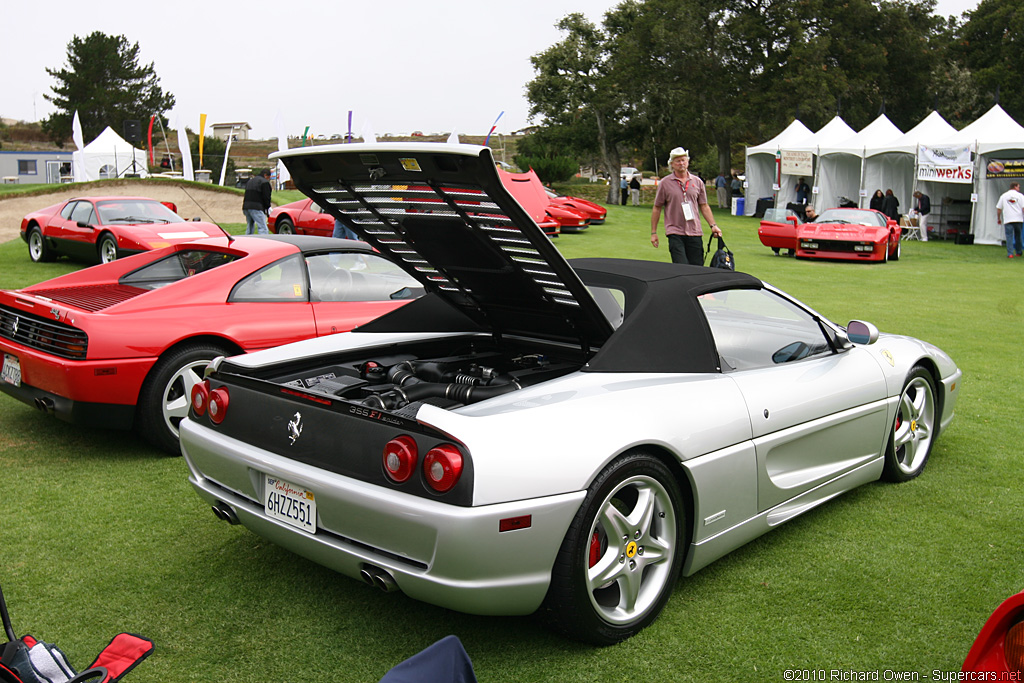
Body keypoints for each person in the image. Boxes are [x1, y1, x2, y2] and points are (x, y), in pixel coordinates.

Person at [650, 147, 722, 265]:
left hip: (695, 231)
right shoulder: (665, 183)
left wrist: (713, 225)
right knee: (681, 266)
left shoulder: (697, 182)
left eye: (683, 160)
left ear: (687, 162)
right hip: (675, 231)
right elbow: (657, 207)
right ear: (672, 164)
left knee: (697, 268)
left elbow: (704, 205)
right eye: (677, 161)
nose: (681, 163)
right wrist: (654, 232)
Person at [996, 181, 1024, 258]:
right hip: (1018, 219)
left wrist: (999, 218)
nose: (1019, 188)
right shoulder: (1020, 196)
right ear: (1015, 187)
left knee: (1009, 236)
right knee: (1018, 236)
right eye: (1018, 187)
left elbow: (999, 209)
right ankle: (1018, 252)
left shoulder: (1004, 196)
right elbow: (1023, 208)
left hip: (1008, 219)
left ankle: (1010, 253)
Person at [242, 168, 272, 235]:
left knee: (250, 226)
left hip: (246, 206)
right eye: (268, 177)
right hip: (256, 207)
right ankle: (264, 243)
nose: (268, 179)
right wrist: (267, 207)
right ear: (265, 175)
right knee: (263, 228)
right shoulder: (264, 182)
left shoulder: (250, 181)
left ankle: (247, 242)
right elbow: (266, 197)